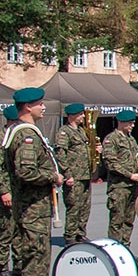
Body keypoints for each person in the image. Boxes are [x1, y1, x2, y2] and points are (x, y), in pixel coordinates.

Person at [2, 87, 64, 276]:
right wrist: (53, 177)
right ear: (27, 107)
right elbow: (25, 171)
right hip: (32, 209)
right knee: (36, 258)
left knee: (34, 256)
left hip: (32, 208)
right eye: (40, 104)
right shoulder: (26, 135)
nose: (44, 107)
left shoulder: (19, 131)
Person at [55, 103, 97, 246]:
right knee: (74, 206)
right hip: (74, 175)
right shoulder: (64, 132)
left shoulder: (81, 131)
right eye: (80, 114)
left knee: (85, 206)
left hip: (84, 174)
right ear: (72, 115)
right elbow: (60, 153)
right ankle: (70, 235)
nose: (83, 117)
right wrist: (67, 174)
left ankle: (80, 233)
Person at [102, 109, 138, 247]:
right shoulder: (111, 139)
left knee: (129, 220)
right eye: (129, 123)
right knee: (117, 221)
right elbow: (111, 163)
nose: (132, 125)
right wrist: (130, 175)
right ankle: (114, 249)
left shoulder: (131, 139)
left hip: (132, 186)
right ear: (120, 122)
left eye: (133, 123)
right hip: (119, 187)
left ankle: (125, 248)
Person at [0, 105, 21, 276]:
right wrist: (4, 191)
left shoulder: (16, 136)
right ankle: (1, 268)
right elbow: (1, 169)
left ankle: (18, 264)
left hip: (19, 191)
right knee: (6, 231)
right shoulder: (3, 138)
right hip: (7, 191)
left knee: (18, 230)